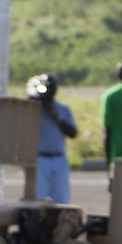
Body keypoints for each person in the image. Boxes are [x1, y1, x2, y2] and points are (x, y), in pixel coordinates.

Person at [25, 73, 77, 203]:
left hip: (58, 158)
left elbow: (72, 133)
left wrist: (56, 117)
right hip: (40, 159)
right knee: (38, 199)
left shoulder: (62, 109)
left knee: (61, 199)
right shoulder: (31, 111)